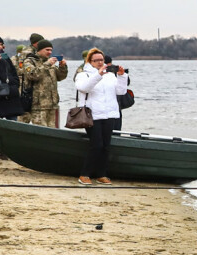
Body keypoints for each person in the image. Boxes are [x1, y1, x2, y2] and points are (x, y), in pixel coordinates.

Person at [72, 48, 127, 184]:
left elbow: (121, 91)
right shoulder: (83, 74)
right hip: (92, 115)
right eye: (96, 60)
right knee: (96, 145)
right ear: (89, 61)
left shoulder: (110, 75)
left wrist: (121, 76)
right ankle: (84, 174)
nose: (99, 62)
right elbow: (84, 88)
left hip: (109, 114)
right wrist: (98, 75)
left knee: (106, 146)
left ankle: (102, 174)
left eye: (101, 60)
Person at [17, 40, 68, 128]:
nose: (50, 52)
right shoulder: (29, 61)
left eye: (51, 50)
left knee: (54, 133)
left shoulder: (50, 63)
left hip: (52, 105)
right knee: (41, 132)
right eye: (47, 50)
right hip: (38, 106)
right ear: (39, 50)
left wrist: (62, 67)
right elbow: (33, 75)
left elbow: (60, 77)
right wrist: (47, 64)